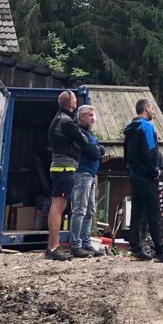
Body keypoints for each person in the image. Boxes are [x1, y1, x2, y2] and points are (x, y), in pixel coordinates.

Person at [123, 98, 163, 263]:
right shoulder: (146, 126)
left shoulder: (130, 129)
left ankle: (135, 248)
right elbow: (151, 150)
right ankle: (160, 250)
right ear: (146, 108)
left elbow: (126, 153)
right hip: (147, 176)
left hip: (134, 174)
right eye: (152, 108)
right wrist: (155, 170)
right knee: (154, 212)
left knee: (137, 211)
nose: (153, 111)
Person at [46, 90, 89, 261]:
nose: (76, 101)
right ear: (71, 103)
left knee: (55, 206)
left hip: (58, 166)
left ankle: (51, 247)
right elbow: (83, 141)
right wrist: (76, 143)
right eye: (75, 99)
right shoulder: (67, 122)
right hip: (65, 168)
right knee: (58, 207)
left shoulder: (58, 119)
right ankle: (54, 247)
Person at [69, 105, 104, 258]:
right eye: (90, 115)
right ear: (82, 116)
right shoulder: (79, 132)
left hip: (91, 174)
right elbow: (93, 152)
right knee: (80, 210)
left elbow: (98, 150)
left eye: (93, 115)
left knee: (90, 211)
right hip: (82, 173)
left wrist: (97, 149)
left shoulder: (89, 134)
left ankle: (86, 243)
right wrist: (97, 150)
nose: (93, 118)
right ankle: (75, 245)